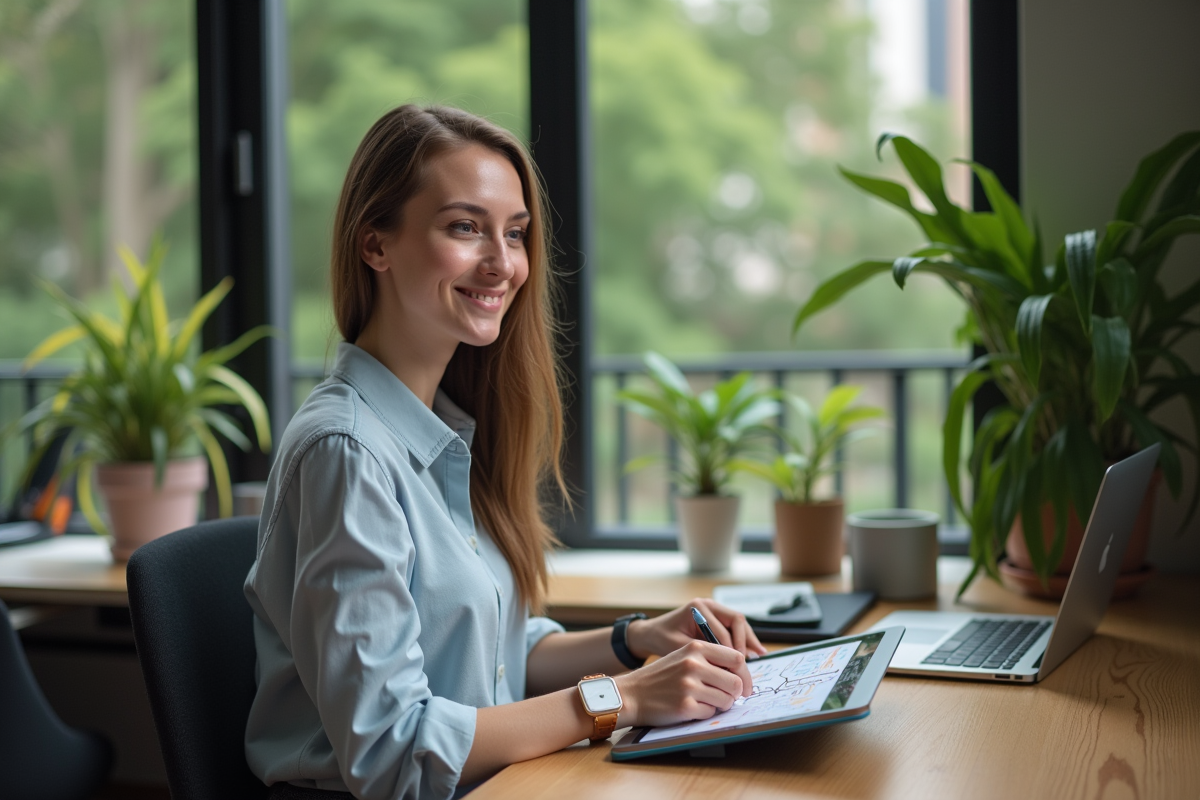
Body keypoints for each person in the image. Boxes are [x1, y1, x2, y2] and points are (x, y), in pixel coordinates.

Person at [243, 104, 767, 800]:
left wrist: (636, 639)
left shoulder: (443, 431)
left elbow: (491, 658)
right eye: (465, 227)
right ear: (376, 245)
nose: (503, 264)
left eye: (515, 233)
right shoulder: (347, 452)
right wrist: (625, 698)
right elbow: (395, 751)